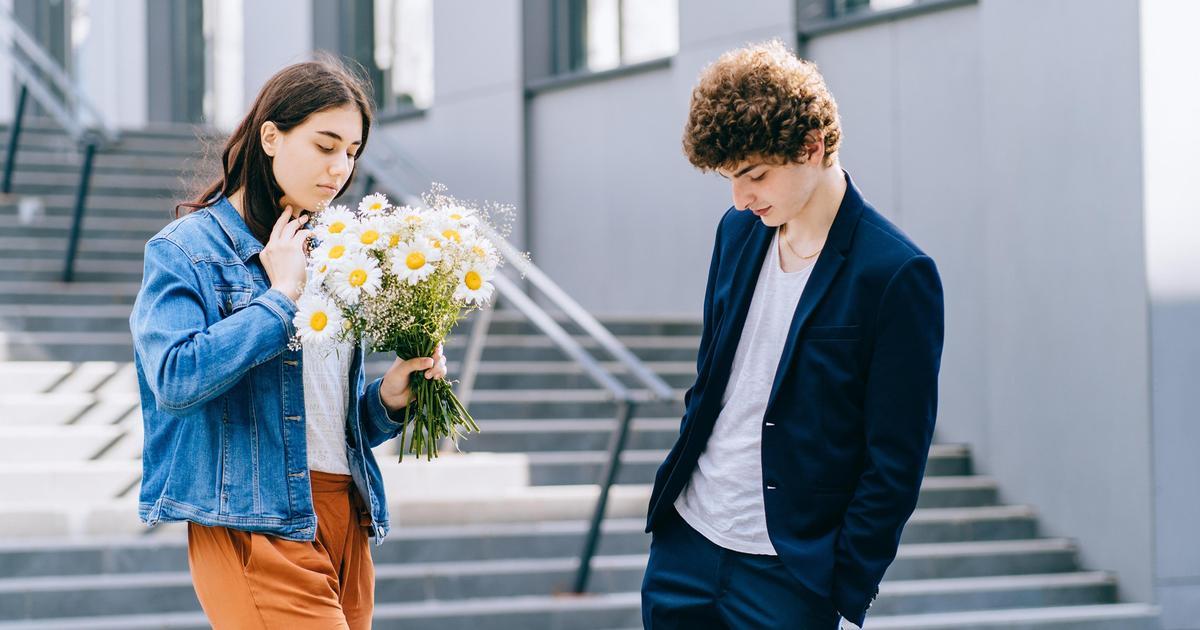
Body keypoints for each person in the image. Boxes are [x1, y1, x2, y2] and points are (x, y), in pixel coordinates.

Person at [129, 57, 446, 629]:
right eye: (325, 145)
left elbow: (319, 417)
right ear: (271, 136)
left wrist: (389, 400)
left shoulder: (336, 250)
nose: (340, 168)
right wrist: (279, 300)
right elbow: (174, 379)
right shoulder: (187, 250)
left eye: (351, 152)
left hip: (345, 511)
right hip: (256, 523)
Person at [641, 40, 945, 629]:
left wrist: (840, 583)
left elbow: (896, 458)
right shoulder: (736, 232)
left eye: (754, 176)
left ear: (812, 146)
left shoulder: (896, 274)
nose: (740, 198)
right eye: (730, 179)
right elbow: (711, 382)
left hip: (790, 576)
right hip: (687, 547)